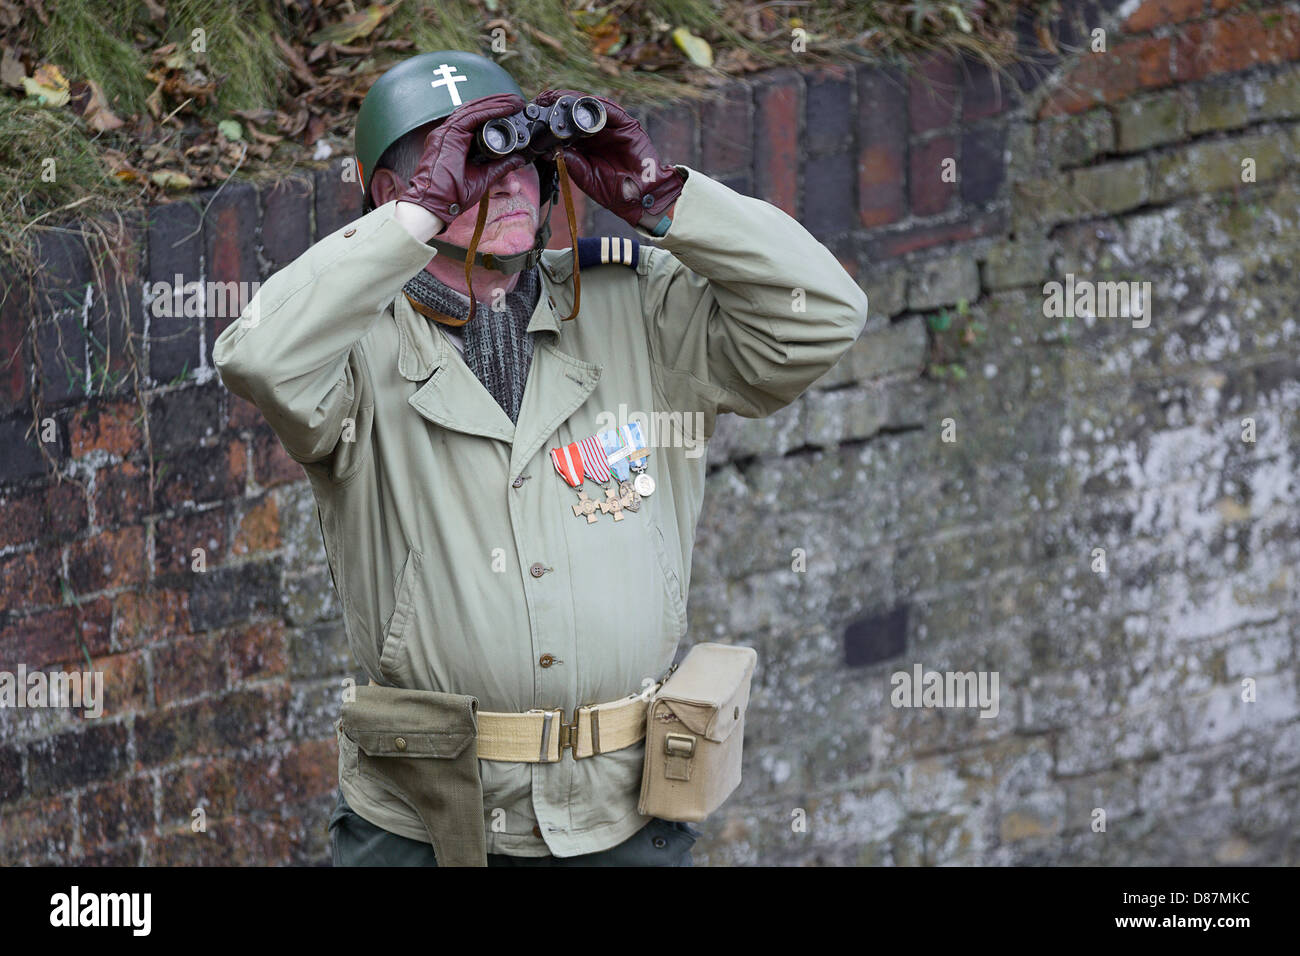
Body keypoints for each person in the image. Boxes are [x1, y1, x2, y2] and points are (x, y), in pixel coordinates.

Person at [213, 50, 868, 866]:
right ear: (395, 196)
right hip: (427, 822)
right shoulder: (351, 351)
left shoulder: (636, 308)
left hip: (622, 811)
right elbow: (258, 357)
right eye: (468, 163)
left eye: (522, 160)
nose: (508, 181)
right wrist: (417, 220)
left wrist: (665, 197)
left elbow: (824, 315)